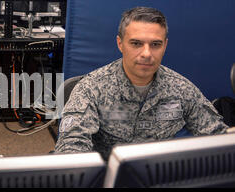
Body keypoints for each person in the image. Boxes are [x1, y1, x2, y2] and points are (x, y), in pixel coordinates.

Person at [55, 7, 229, 160]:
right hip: (106, 179)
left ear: (165, 46)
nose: (146, 53)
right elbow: (71, 150)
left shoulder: (181, 88)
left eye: (155, 44)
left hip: (160, 178)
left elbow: (219, 139)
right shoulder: (91, 88)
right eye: (136, 43)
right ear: (120, 44)